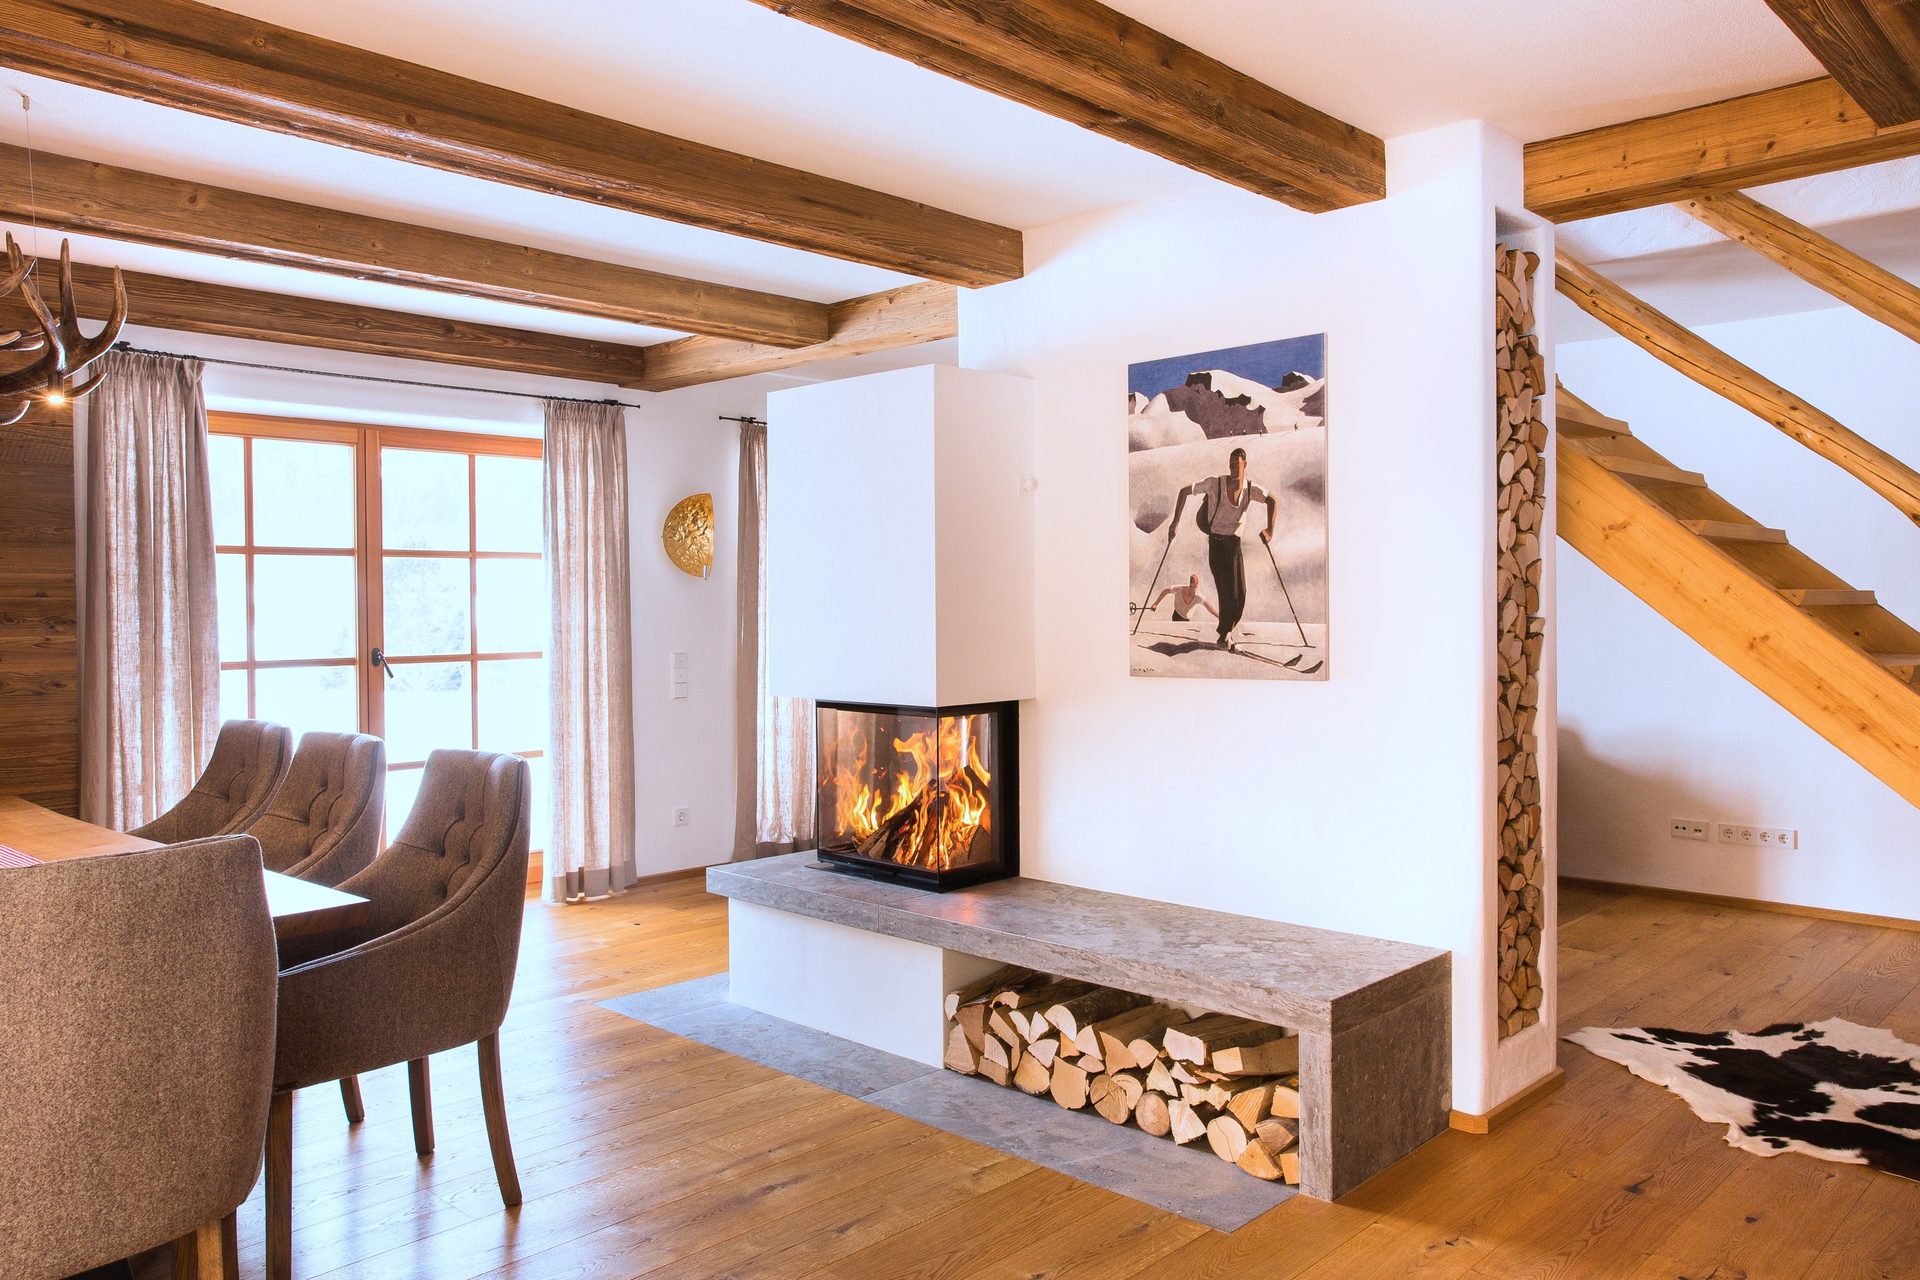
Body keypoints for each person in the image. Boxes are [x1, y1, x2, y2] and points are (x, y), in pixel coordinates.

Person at [1168, 446, 1276, 650]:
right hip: (1216, 545)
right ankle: (1224, 635)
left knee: (1240, 595)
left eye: (1237, 464)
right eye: (1231, 464)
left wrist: (1270, 529)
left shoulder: (1251, 489)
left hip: (1234, 546)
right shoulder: (1214, 483)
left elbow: (1272, 500)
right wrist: (1175, 523)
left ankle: (1226, 632)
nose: (1233, 468)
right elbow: (1184, 491)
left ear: (1246, 465)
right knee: (1227, 593)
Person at [1148, 574, 1217, 624]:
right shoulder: (1180, 589)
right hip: (1176, 616)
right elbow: (1166, 590)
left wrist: (1219, 617)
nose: (1194, 590)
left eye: (1196, 587)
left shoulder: (1198, 597)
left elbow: (1210, 609)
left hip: (1186, 621)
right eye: (1192, 587)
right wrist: (1155, 603)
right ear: (1190, 585)